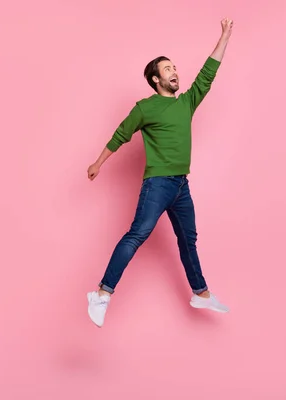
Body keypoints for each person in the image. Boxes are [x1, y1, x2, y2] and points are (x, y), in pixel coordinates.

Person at [86, 18, 234, 327]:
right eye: (167, 69)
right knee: (138, 234)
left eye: (175, 68)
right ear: (156, 80)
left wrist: (224, 37)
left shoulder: (186, 103)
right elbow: (120, 135)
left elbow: (208, 73)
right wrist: (99, 163)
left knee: (188, 239)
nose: (174, 72)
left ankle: (201, 294)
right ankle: (101, 292)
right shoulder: (145, 107)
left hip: (181, 185)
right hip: (158, 185)